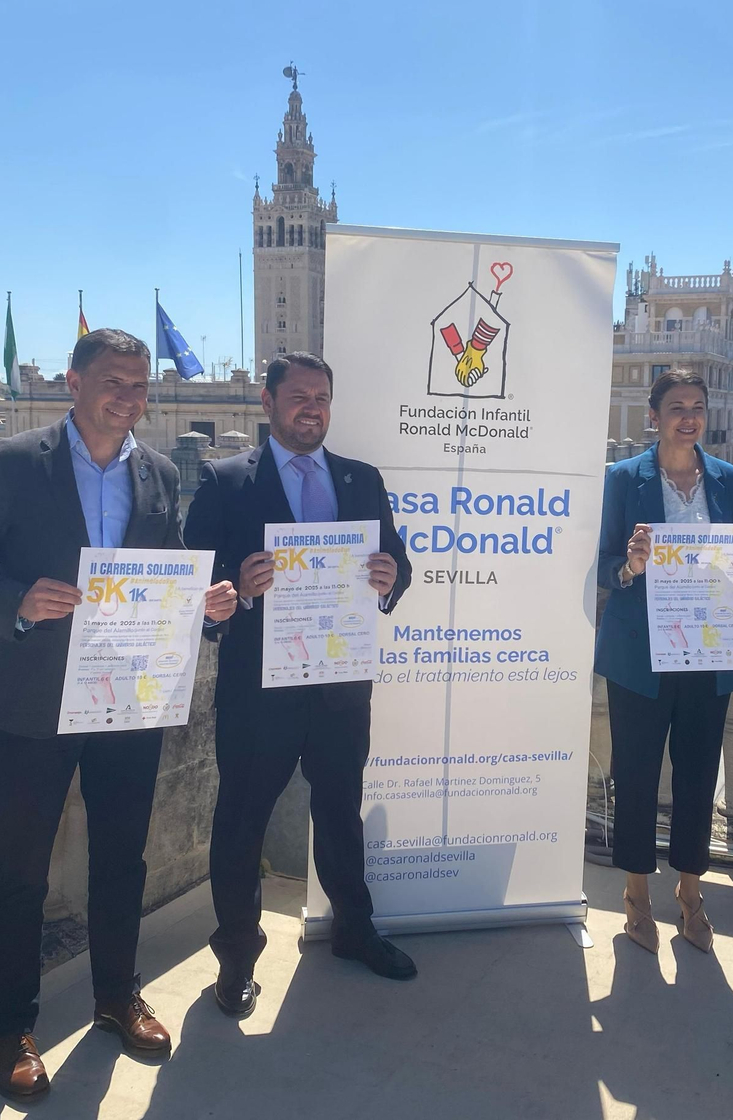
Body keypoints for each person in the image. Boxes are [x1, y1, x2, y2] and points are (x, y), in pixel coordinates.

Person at [0, 329, 238, 1103]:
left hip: (126, 700)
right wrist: (16, 604)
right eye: (113, 381)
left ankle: (114, 995)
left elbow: (162, 573)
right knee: (20, 873)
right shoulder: (10, 464)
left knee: (121, 857)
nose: (127, 396)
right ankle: (12, 1028)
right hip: (33, 702)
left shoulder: (161, 470)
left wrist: (205, 609)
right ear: (73, 382)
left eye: (139, 385)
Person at [184, 352, 415, 1018]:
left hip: (341, 684)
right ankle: (236, 960)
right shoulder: (225, 481)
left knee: (341, 811)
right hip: (259, 693)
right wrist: (235, 583)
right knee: (241, 823)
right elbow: (196, 580)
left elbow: (399, 564)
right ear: (267, 401)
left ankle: (353, 930)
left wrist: (387, 576)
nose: (312, 407)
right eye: (299, 396)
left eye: (322, 397)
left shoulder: (361, 479)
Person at [594, 369, 733, 955]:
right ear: (655, 416)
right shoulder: (623, 479)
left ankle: (691, 893)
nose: (687, 417)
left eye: (697, 406)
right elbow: (598, 567)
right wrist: (630, 567)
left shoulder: (726, 477)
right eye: (676, 407)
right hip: (640, 656)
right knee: (638, 777)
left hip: (707, 651)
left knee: (697, 779)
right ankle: (637, 894)